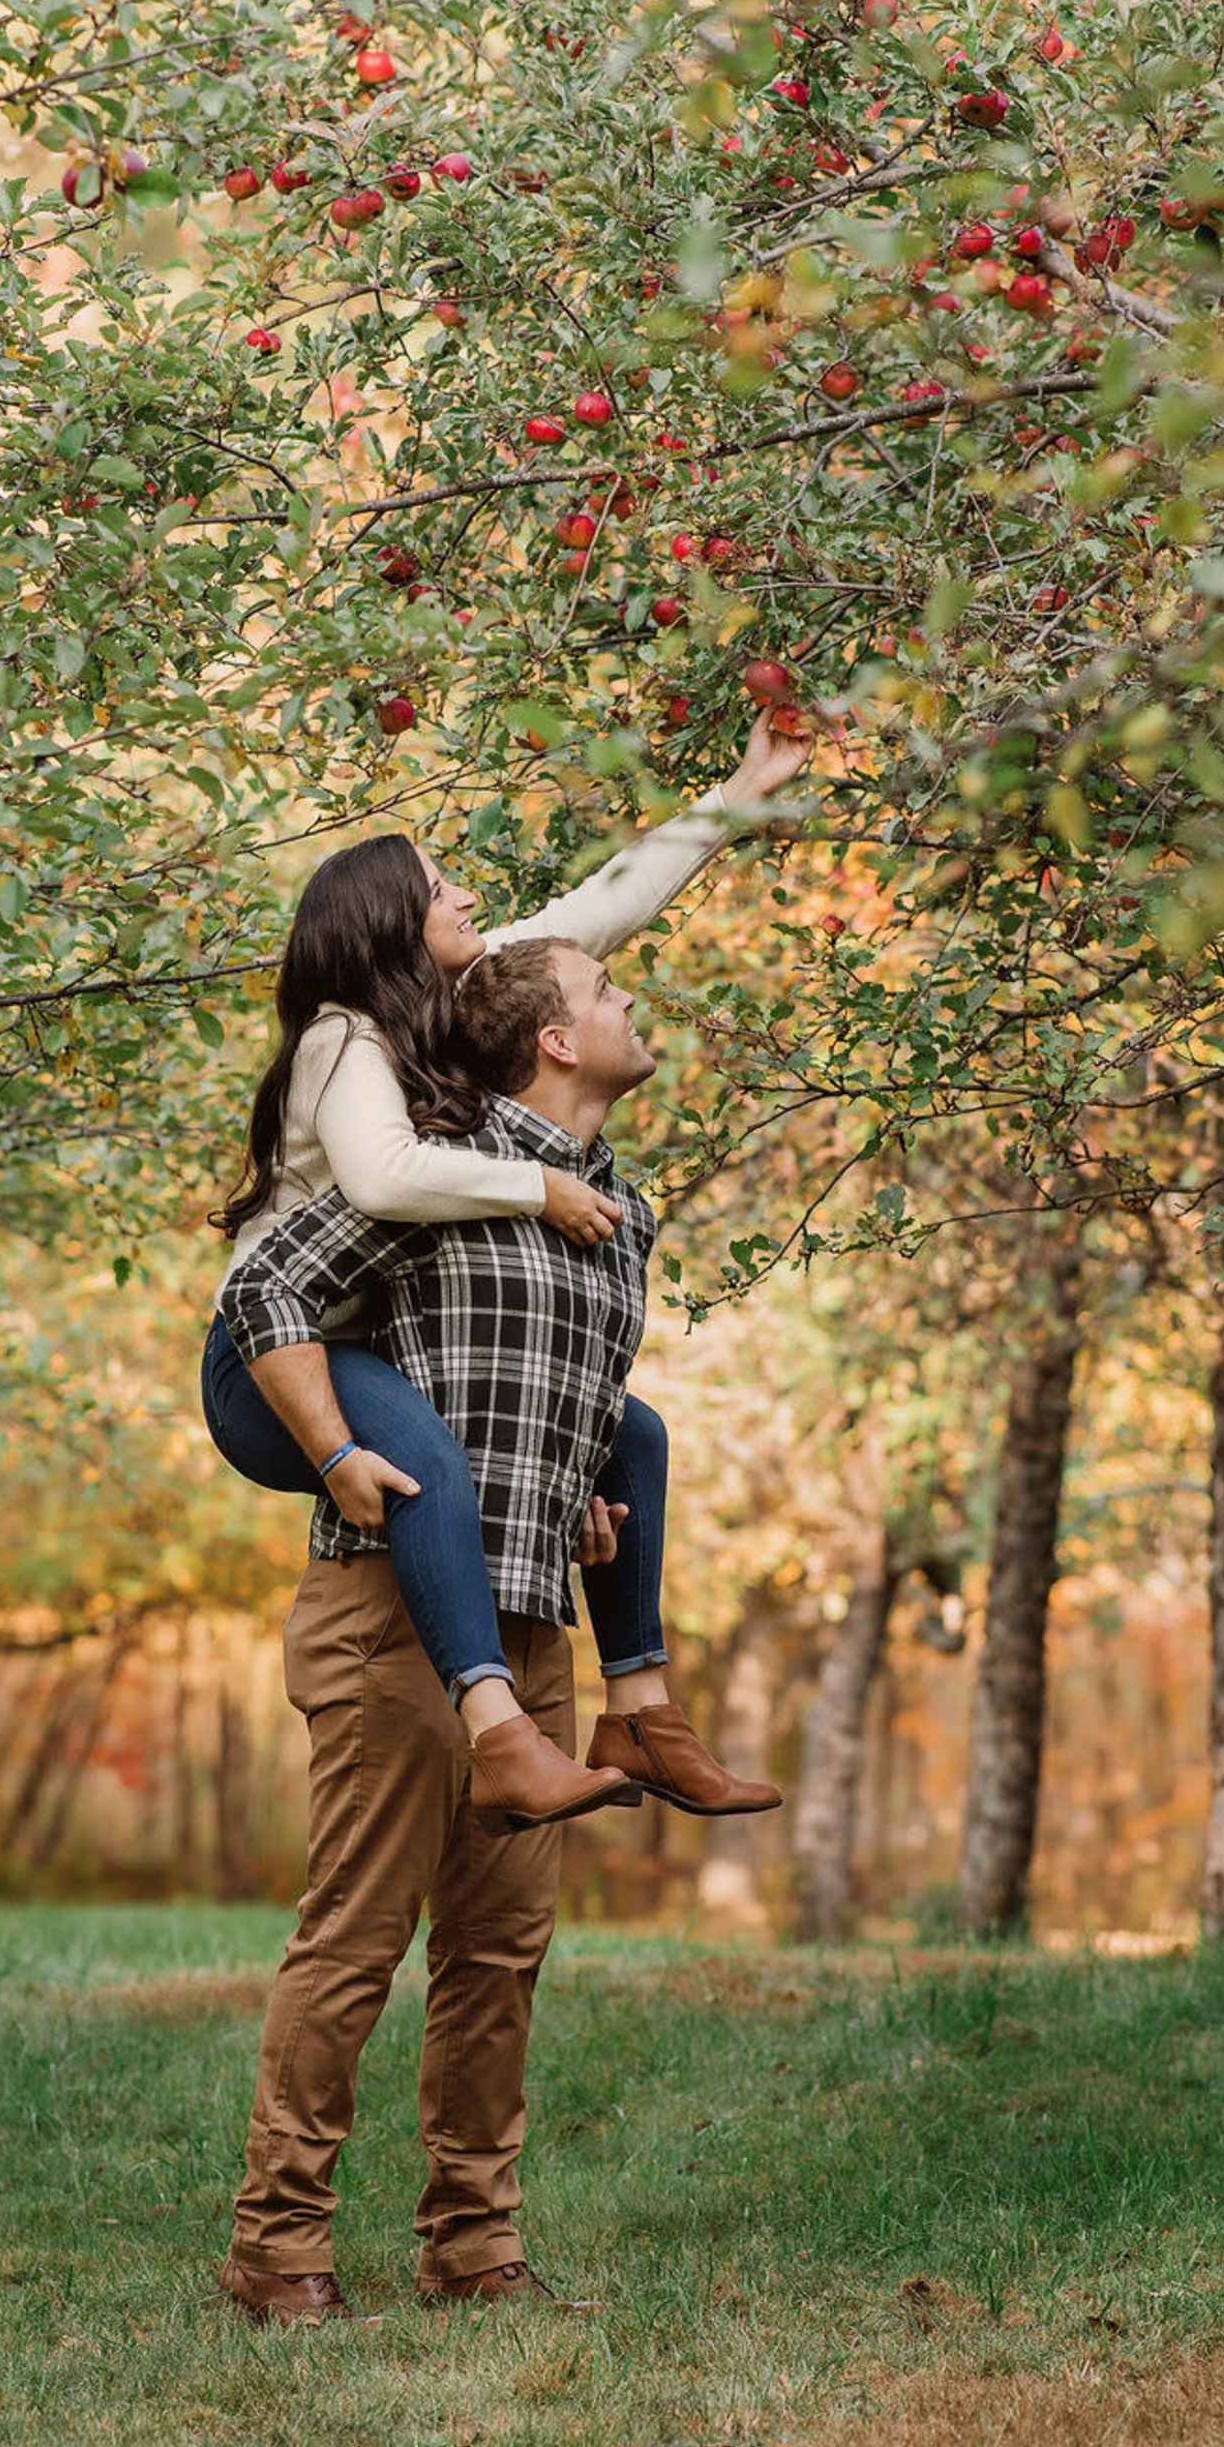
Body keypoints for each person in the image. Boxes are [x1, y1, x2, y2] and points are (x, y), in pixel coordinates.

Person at [211, 936, 719, 2320]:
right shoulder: (440, 1170)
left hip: (525, 1624)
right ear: (554, 1039)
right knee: (358, 1933)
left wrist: (579, 1500)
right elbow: (262, 1294)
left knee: (500, 1947)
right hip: (388, 1617)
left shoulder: (624, 1208)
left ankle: (474, 2246)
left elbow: (547, 1399)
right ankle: (277, 2249)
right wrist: (329, 1449)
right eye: (607, 993)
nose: (631, 1005)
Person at [199, 716, 806, 1826]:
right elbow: (382, 1179)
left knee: (633, 1433)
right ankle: (499, 1736)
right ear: (393, 923)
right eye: (444, 890)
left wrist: (746, 785)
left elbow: (605, 906)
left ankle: (640, 1708)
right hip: (272, 1359)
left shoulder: (436, 1015)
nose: (468, 898)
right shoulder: (345, 1039)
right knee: (426, 1456)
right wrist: (542, 1188)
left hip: (371, 1352)